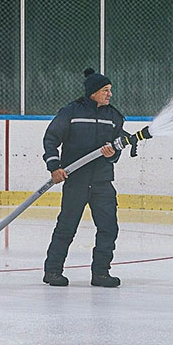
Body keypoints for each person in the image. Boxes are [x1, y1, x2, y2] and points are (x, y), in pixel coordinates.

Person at [42, 68, 126, 287]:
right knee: (66, 227)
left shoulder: (114, 117)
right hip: (76, 181)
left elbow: (117, 150)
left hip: (102, 182)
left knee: (109, 228)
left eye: (110, 90)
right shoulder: (71, 112)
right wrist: (54, 167)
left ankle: (101, 274)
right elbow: (51, 139)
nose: (110, 94)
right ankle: (52, 271)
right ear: (93, 92)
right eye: (105, 90)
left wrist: (112, 154)